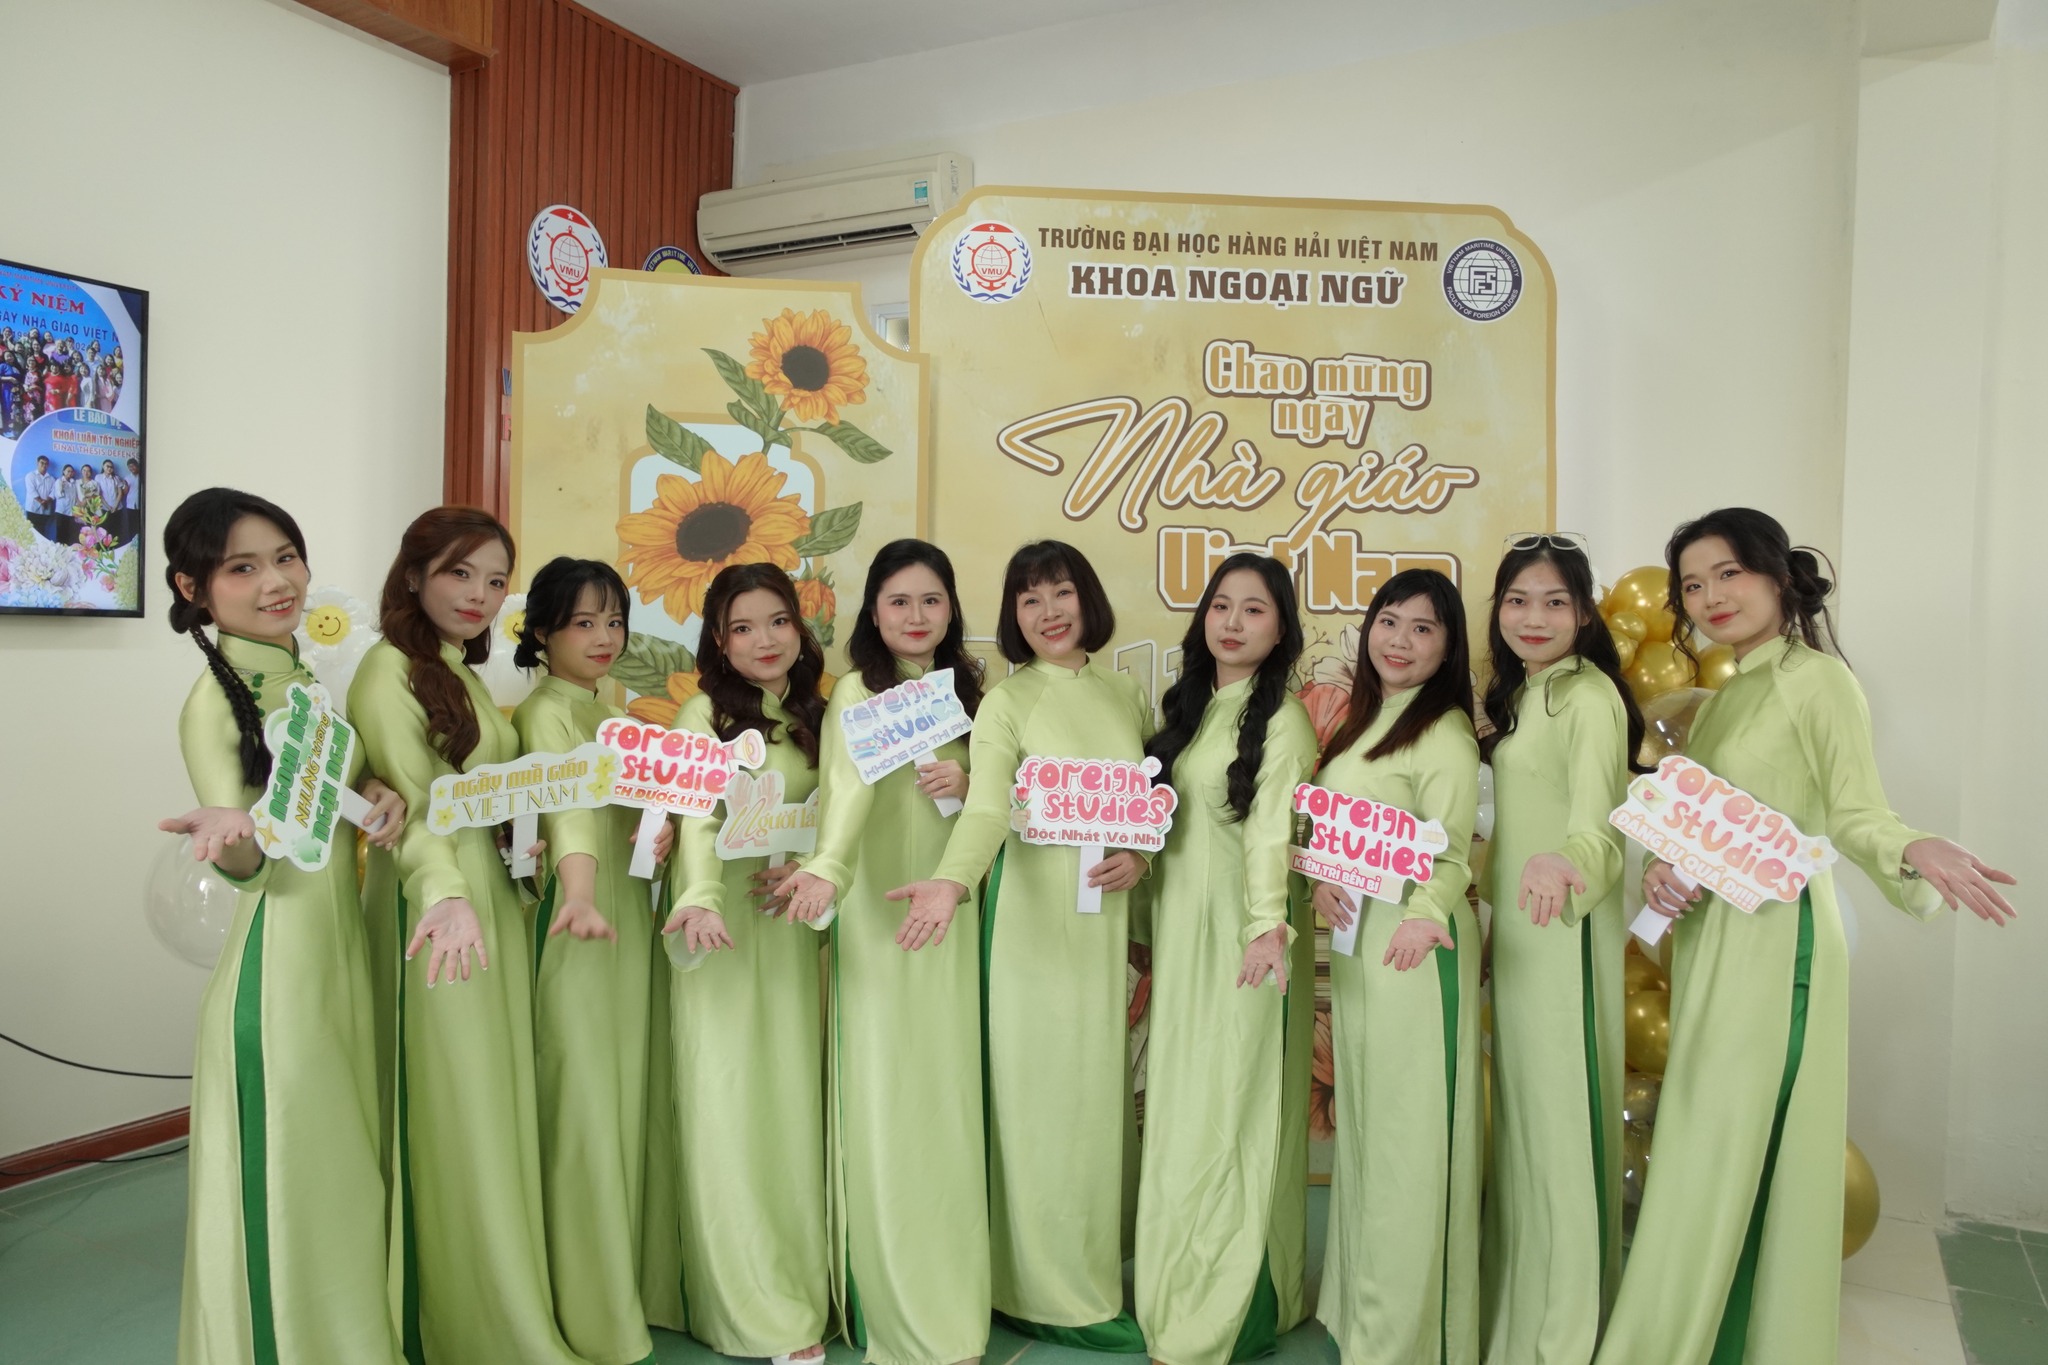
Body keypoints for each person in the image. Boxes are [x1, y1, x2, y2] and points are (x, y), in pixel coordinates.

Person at [1594, 508, 2017, 1365]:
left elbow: (1855, 810)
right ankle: (1705, 1336)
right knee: (1707, 1147)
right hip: (1712, 946)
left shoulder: (1818, 681)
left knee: (1741, 1148)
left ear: (1777, 575)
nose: (1710, 596)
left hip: (1777, 944)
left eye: (1728, 573)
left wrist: (1912, 846)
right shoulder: (1726, 700)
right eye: (1692, 584)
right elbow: (1700, 828)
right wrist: (1663, 869)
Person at [155, 487, 407, 1365]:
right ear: (193, 588)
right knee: (291, 1186)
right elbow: (254, 867)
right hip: (280, 974)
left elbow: (333, 794)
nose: (277, 582)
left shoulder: (300, 680)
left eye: (286, 557)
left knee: (340, 1175)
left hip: (340, 952)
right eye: (243, 567)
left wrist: (375, 792)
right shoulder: (212, 702)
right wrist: (231, 835)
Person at [889, 540, 1153, 1351]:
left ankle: (1091, 1269)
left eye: (1061, 592)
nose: (1048, 612)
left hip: (1102, 925)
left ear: (1087, 598)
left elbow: (1147, 805)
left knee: (1097, 1096)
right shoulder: (1007, 702)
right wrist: (953, 881)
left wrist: (1140, 859)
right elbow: (987, 806)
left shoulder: (1126, 692)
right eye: (1029, 599)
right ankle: (1041, 1289)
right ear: (1012, 615)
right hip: (1031, 924)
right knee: (1041, 1099)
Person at [349, 507, 591, 1365]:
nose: (479, 595)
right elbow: (412, 808)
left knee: (489, 1100)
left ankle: (501, 1304)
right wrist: (447, 895)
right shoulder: (387, 671)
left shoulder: (455, 670)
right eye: (461, 572)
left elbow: (474, 797)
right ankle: (473, 1327)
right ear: (414, 573)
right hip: (437, 910)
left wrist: (517, 849)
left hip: (486, 900)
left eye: (495, 580)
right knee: (454, 1107)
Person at [777, 539, 993, 1365]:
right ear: (874, 611)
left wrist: (969, 785)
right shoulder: (858, 693)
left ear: (951, 608)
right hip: (877, 909)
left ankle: (952, 1292)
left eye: (931, 599)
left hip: (952, 907)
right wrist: (829, 868)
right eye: (899, 600)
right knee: (886, 1090)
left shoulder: (970, 692)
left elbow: (999, 800)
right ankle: (893, 1303)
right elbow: (846, 790)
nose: (916, 615)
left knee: (946, 1092)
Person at [1133, 552, 1320, 1365]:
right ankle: (1174, 1278)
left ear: (1281, 630)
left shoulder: (1284, 720)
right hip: (1183, 937)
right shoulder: (1191, 708)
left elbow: (1272, 832)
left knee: (1232, 1105)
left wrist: (1266, 925)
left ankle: (1230, 1301)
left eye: (1254, 609)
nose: (1234, 622)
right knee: (1182, 1102)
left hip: (1247, 943)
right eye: (1221, 605)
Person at [1477, 534, 1646, 1364]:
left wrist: (1564, 862)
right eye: (1518, 600)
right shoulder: (1527, 694)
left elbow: (1601, 829)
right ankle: (1524, 1311)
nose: (1533, 617)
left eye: (1555, 601)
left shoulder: (1589, 695)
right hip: (1518, 937)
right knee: (1526, 1128)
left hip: (1562, 933)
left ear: (1584, 613)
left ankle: (1562, 1334)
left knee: (1558, 1129)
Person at [1307, 569, 1482, 1365]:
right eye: (1389, 620)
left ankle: (1403, 1336)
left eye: (1423, 627)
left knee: (1410, 1140)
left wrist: (1423, 914)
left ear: (1447, 647)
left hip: (1416, 951)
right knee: (1370, 1131)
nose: (1400, 640)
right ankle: (1361, 1311)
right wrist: (1319, 877)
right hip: (1357, 949)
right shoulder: (1361, 721)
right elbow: (1331, 829)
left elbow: (1452, 848)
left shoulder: (1443, 731)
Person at [660, 563, 832, 1364]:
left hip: (795, 932)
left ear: (799, 627)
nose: (764, 640)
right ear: (718, 641)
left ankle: (802, 1284)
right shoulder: (703, 715)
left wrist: (812, 867)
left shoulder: (817, 715)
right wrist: (701, 895)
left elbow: (840, 817)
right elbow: (694, 814)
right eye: (742, 627)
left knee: (791, 1107)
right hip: (720, 931)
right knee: (729, 1105)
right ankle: (750, 1304)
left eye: (778, 621)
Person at [509, 557, 672, 1365]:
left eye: (614, 621)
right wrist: (577, 891)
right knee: (582, 1106)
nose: (604, 637)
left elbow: (628, 811)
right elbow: (568, 809)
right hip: (578, 925)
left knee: (620, 1097)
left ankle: (623, 1285)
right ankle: (592, 1309)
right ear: (543, 631)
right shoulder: (546, 714)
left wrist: (660, 826)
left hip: (624, 920)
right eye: (584, 622)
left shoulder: (611, 714)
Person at [23, 454, 57, 540]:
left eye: (46, 464)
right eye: (42, 463)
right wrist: (41, 501)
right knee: (31, 531)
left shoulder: (51, 479)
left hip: (45, 509)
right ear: (37, 463)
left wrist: (47, 501)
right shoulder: (30, 476)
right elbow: (31, 490)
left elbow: (54, 492)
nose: (44, 465)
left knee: (42, 532)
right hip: (32, 509)